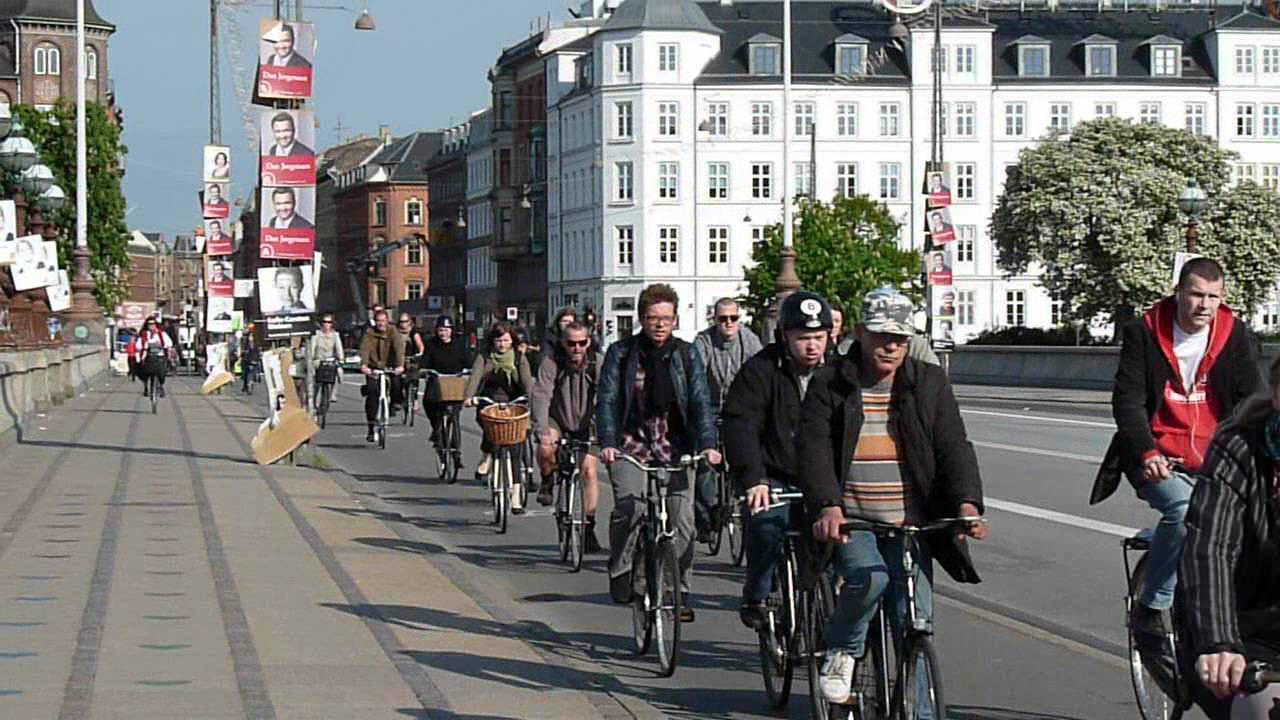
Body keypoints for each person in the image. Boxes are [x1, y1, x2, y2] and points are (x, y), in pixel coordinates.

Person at [798, 286, 987, 706]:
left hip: (911, 522)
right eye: (883, 336)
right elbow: (812, 448)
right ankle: (843, 650)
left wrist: (967, 504)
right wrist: (828, 505)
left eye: (900, 338)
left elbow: (953, 446)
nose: (891, 346)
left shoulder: (929, 383)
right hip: (854, 520)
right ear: (861, 333)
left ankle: (918, 713)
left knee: (916, 623)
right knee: (869, 579)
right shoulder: (830, 382)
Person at [1091, 257, 1260, 639]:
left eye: (1213, 297)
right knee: (1185, 513)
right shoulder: (1145, 333)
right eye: (1196, 295)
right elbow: (1128, 401)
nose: (1204, 305)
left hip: (1215, 459)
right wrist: (1147, 452)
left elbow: (1255, 400)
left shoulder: (1235, 335)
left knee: (1254, 526)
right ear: (1178, 293)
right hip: (1157, 456)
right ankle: (1152, 606)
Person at [597, 283, 721, 621]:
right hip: (631, 445)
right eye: (653, 318)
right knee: (630, 506)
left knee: (683, 523)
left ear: (676, 319)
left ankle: (676, 590)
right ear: (641, 319)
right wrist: (608, 442)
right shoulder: (621, 353)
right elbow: (607, 401)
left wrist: (708, 445)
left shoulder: (686, 354)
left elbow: (700, 402)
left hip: (676, 447)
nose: (660, 324)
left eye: (666, 318)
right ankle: (621, 567)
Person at [722, 291, 830, 629]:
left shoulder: (841, 372)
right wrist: (754, 479)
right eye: (803, 338)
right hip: (774, 474)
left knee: (838, 543)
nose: (812, 346)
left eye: (819, 337)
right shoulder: (761, 369)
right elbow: (740, 424)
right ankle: (757, 593)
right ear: (785, 335)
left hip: (821, 477)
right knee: (767, 526)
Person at [1181, 357, 1280, 719]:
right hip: (1240, 623)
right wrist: (1219, 642)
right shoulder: (1240, 447)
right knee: (1257, 710)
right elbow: (1212, 546)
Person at [691, 297, 763, 539]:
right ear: (715, 320)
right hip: (709, 404)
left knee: (746, 452)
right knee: (705, 460)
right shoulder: (703, 341)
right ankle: (706, 516)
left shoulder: (749, 340)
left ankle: (743, 505)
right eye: (723, 319)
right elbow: (695, 376)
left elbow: (760, 376)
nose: (729, 323)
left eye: (733, 318)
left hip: (740, 405)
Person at [531, 320, 604, 553]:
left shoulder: (597, 363)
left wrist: (605, 428)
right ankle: (547, 481)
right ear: (563, 343)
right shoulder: (552, 363)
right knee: (545, 448)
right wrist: (542, 430)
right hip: (558, 419)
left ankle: (589, 525)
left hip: (587, 422)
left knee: (589, 471)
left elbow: (607, 396)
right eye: (571, 343)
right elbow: (542, 395)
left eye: (582, 343)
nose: (577, 348)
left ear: (588, 342)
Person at [463, 322, 535, 498]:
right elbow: (475, 376)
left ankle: (517, 494)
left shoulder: (519, 358)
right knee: (490, 424)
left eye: (505, 340)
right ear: (492, 341)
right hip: (489, 399)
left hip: (514, 400)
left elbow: (527, 382)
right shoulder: (485, 357)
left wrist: (532, 401)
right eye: (498, 341)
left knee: (516, 446)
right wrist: (469, 397)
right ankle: (488, 455)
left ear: (512, 341)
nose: (502, 344)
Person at [422, 316, 472, 471]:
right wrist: (426, 370)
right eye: (440, 330)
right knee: (429, 405)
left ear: (451, 331)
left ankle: (456, 452)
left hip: (454, 385)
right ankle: (437, 431)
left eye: (446, 330)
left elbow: (468, 362)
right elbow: (424, 363)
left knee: (454, 418)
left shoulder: (459, 344)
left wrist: (467, 370)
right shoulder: (431, 344)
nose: (443, 333)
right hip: (437, 384)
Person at [359, 309, 405, 442]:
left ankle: (394, 404)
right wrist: (364, 365)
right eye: (378, 321)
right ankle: (371, 427)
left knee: (397, 384)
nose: (381, 324)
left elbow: (399, 349)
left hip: (390, 367)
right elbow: (365, 349)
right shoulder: (369, 333)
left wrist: (399, 365)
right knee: (372, 393)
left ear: (387, 321)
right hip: (373, 368)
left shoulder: (393, 332)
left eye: (383, 321)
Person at [129, 317, 174, 398]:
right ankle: (146, 386)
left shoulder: (161, 334)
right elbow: (138, 345)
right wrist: (144, 348)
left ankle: (161, 386)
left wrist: (164, 346)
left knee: (162, 372)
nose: (151, 326)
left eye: (153, 324)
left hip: (160, 356)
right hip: (148, 357)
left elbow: (169, 343)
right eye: (149, 324)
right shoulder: (144, 334)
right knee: (141, 370)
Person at [309, 314, 345, 407]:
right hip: (318, 361)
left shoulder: (335, 335)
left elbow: (339, 349)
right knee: (315, 379)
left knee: (337, 371)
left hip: (330, 361)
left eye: (329, 322)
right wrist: (311, 360)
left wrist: (341, 359)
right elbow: (312, 348)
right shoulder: (316, 335)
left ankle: (333, 394)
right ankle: (314, 399)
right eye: (324, 322)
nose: (326, 324)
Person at [396, 313, 426, 415]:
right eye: (401, 322)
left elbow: (420, 345)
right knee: (398, 379)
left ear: (410, 322)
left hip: (411, 358)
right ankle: (400, 398)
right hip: (399, 358)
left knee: (414, 376)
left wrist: (420, 353)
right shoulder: (395, 331)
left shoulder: (414, 332)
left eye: (405, 322)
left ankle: (415, 399)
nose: (403, 324)